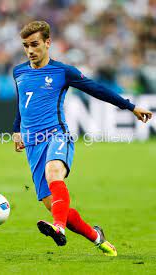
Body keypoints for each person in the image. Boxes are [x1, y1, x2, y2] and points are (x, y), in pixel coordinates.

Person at [12, 21, 152, 256]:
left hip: (57, 134)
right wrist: (16, 129)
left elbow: (96, 89)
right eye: (26, 46)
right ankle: (97, 237)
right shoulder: (19, 72)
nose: (30, 51)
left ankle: (58, 229)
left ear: (48, 43)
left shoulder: (62, 72)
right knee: (54, 206)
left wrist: (130, 107)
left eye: (35, 44)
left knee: (54, 172)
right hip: (33, 144)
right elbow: (22, 105)